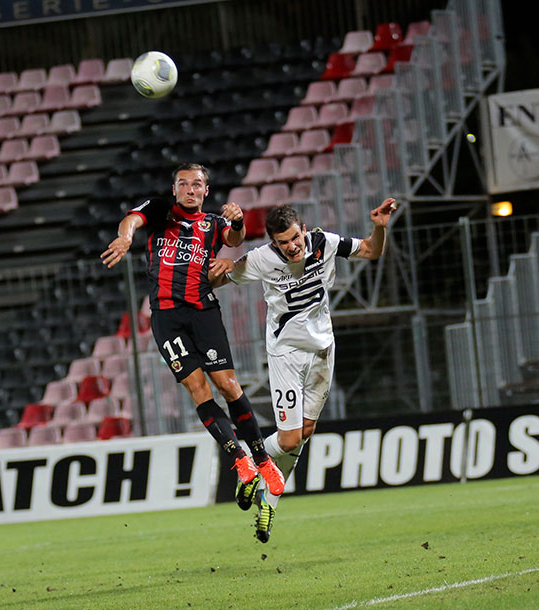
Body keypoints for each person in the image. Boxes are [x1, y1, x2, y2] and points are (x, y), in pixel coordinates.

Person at [208, 197, 397, 542]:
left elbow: (372, 250)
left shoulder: (325, 242)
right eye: (283, 242)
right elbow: (217, 280)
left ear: (304, 230)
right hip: (287, 355)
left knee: (305, 431)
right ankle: (248, 464)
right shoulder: (262, 259)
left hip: (323, 351)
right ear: (273, 243)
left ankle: (269, 501)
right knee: (290, 438)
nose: (292, 246)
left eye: (295, 237)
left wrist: (379, 228)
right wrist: (219, 266)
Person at [101, 162, 284, 513]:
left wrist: (238, 222)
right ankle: (241, 461)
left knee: (228, 385)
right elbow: (132, 219)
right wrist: (125, 237)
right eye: (183, 184)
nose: (189, 189)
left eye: (196, 184)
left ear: (205, 190)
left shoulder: (213, 223)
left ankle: (263, 460)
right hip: (167, 318)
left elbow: (235, 239)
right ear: (174, 189)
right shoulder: (161, 212)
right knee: (197, 388)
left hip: (203, 313)